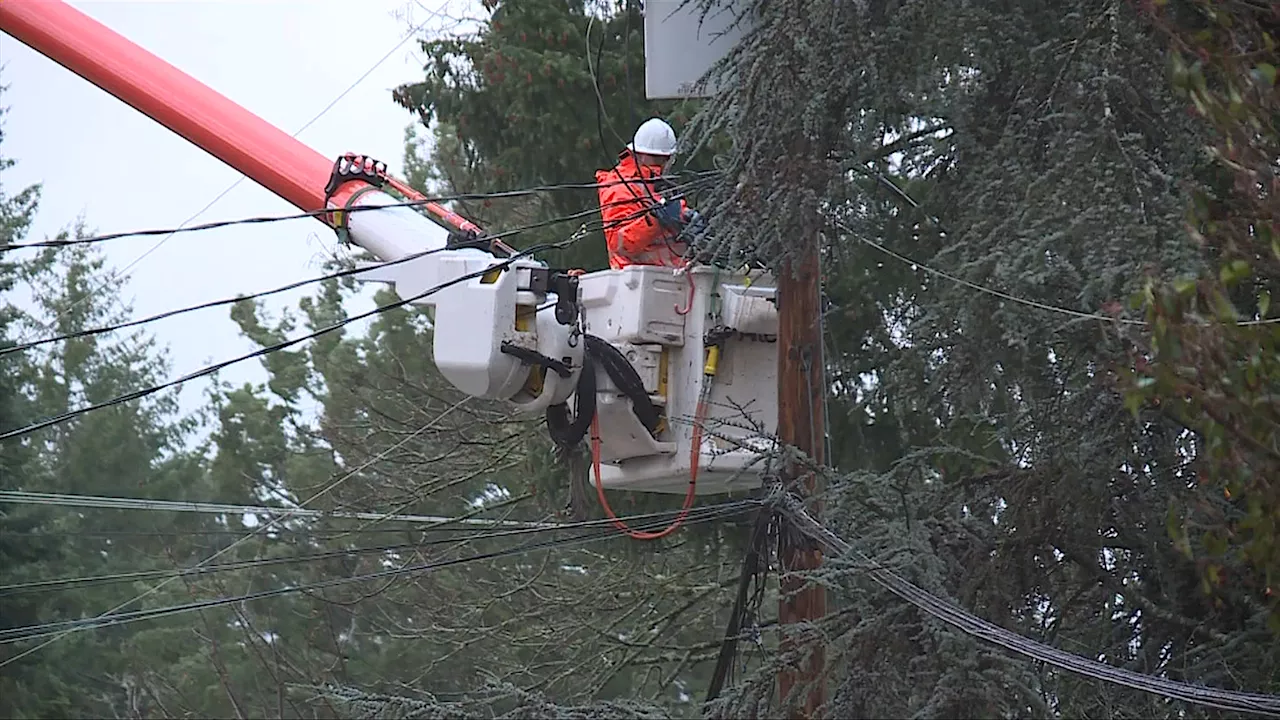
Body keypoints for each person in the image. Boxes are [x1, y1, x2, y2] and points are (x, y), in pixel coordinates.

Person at [595, 118, 702, 270]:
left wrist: (688, 217)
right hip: (635, 282)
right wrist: (655, 220)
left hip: (674, 277)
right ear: (639, 154)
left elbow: (672, 210)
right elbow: (620, 243)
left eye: (667, 159)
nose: (664, 164)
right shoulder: (619, 187)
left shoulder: (658, 182)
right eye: (658, 159)